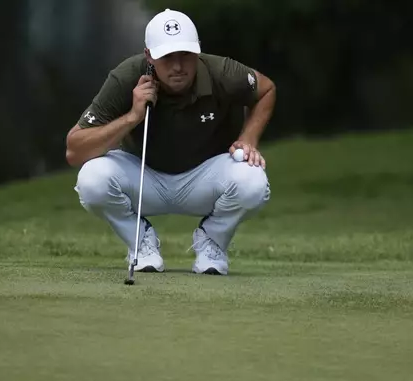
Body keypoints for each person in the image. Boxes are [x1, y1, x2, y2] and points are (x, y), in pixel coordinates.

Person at [65, 8, 275, 276]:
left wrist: (248, 138)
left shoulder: (222, 71)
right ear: (149, 56)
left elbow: (267, 89)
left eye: (185, 55)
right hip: (143, 176)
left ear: (197, 50)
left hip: (206, 177)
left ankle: (212, 241)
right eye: (166, 57)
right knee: (91, 179)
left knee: (253, 181)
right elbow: (75, 150)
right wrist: (132, 117)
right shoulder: (126, 76)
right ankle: (140, 242)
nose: (177, 66)